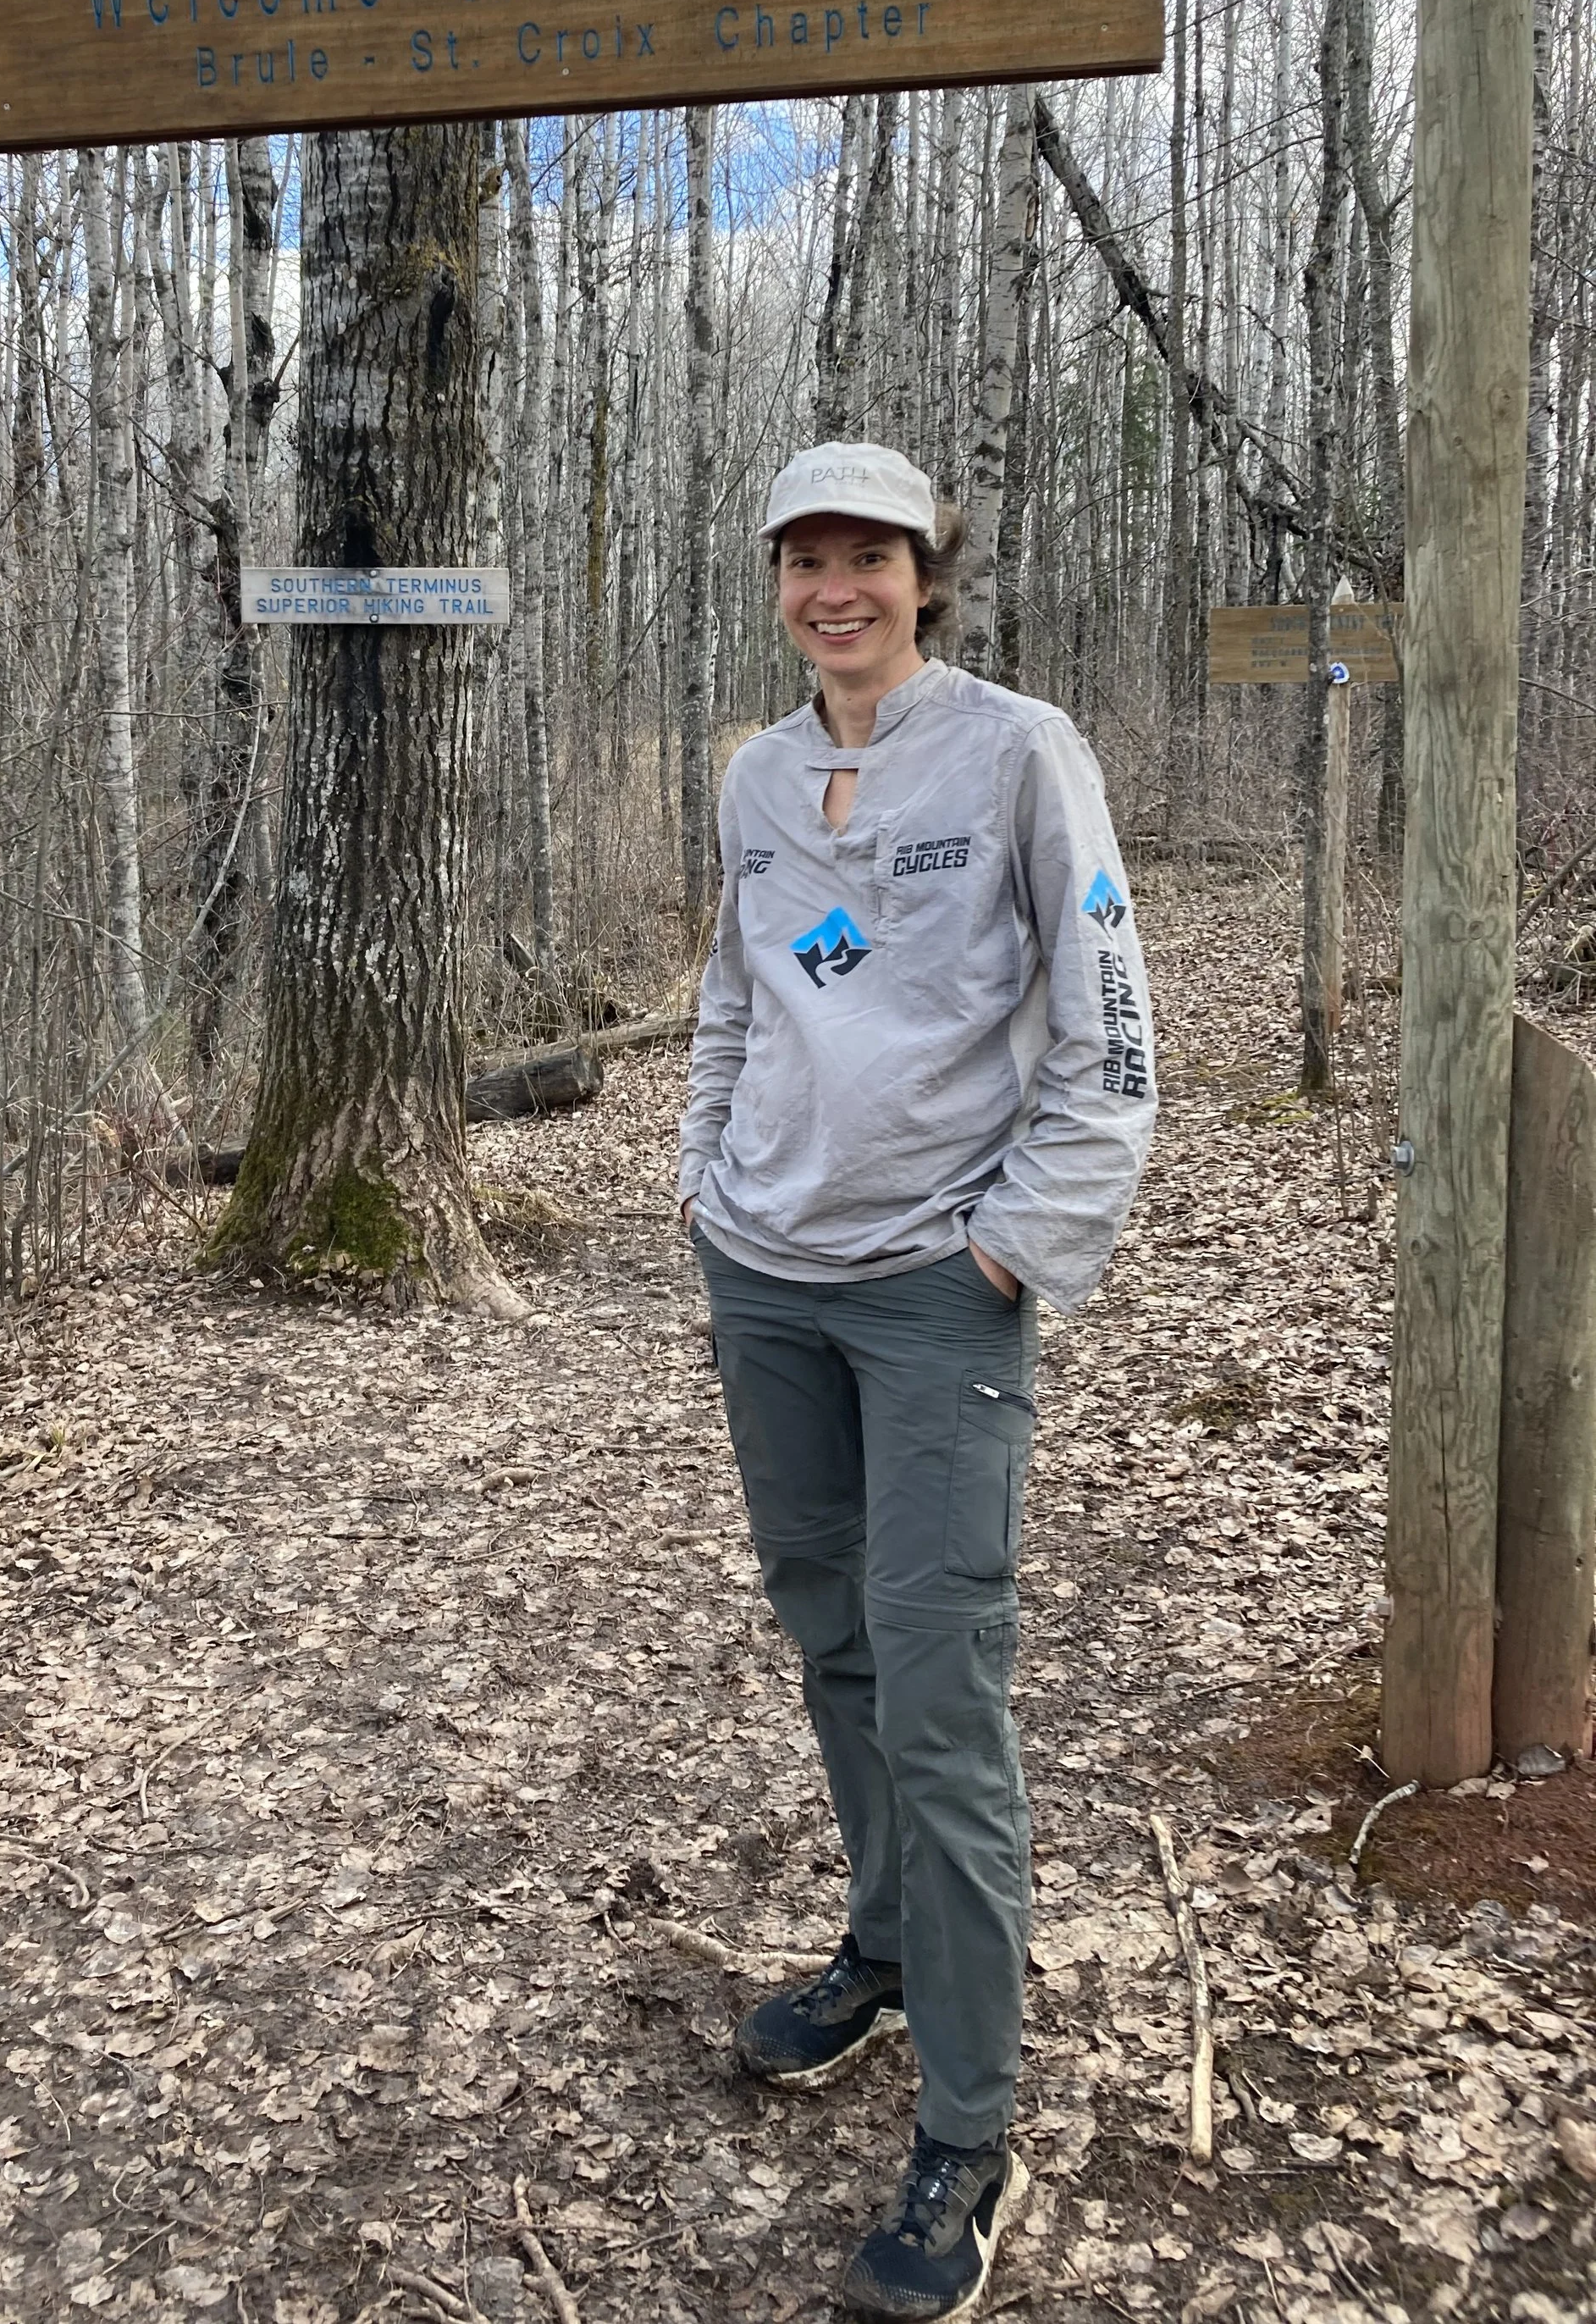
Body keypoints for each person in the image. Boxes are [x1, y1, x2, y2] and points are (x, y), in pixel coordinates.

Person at [677, 440, 1156, 2321]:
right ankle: (883, 1951)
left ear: (924, 572)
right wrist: (704, 1178)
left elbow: (1109, 1024)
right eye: (804, 557)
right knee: (834, 1638)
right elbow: (747, 985)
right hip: (766, 1276)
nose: (835, 588)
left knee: (943, 1697)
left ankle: (970, 2121)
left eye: (867, 555)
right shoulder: (757, 775)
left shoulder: (1018, 751)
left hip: (938, 1295)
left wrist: (1018, 1241)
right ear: (777, 582)